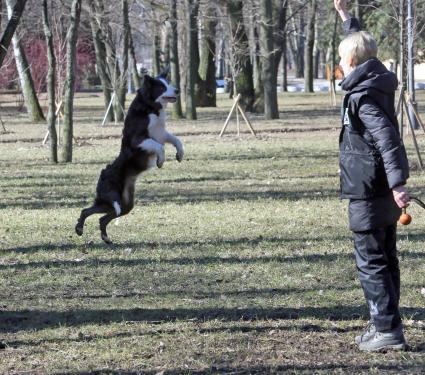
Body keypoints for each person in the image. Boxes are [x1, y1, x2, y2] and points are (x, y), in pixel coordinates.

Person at [334, 0, 410, 351]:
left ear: (350, 65)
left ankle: (387, 331)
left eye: (342, 60)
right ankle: (385, 322)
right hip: (377, 189)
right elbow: (363, 49)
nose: (338, 66)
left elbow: (389, 140)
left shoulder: (363, 97)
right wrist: (347, 17)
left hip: (370, 190)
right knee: (385, 256)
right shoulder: (375, 81)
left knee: (372, 261)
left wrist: (398, 184)